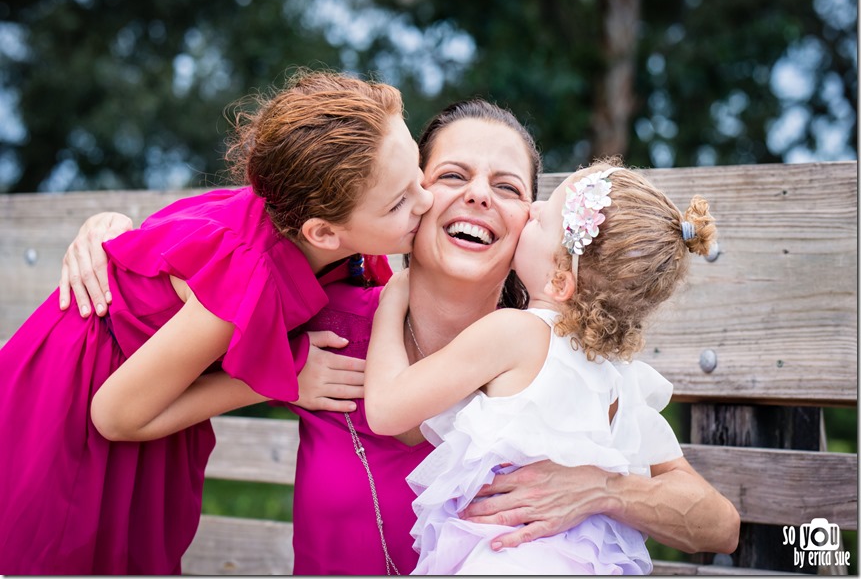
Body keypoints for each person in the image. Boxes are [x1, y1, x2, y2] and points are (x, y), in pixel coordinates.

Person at [58, 100, 740, 575]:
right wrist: (115, 233)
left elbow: (716, 524)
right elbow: (236, 249)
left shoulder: (558, 371)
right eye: (450, 176)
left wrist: (601, 490)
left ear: (543, 239)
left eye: (506, 187)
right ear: (408, 201)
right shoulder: (319, 320)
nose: (477, 196)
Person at [0, 69, 433, 575]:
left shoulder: (308, 219)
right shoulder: (245, 280)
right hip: (73, 410)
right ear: (323, 232)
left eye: (420, 174)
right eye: (401, 201)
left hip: (148, 388)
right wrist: (284, 381)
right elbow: (115, 416)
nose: (425, 201)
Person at [364, 160, 716, 574]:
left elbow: (386, 409)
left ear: (560, 282)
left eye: (543, 218)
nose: (531, 210)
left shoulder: (513, 333)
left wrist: (391, 303)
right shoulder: (618, 379)